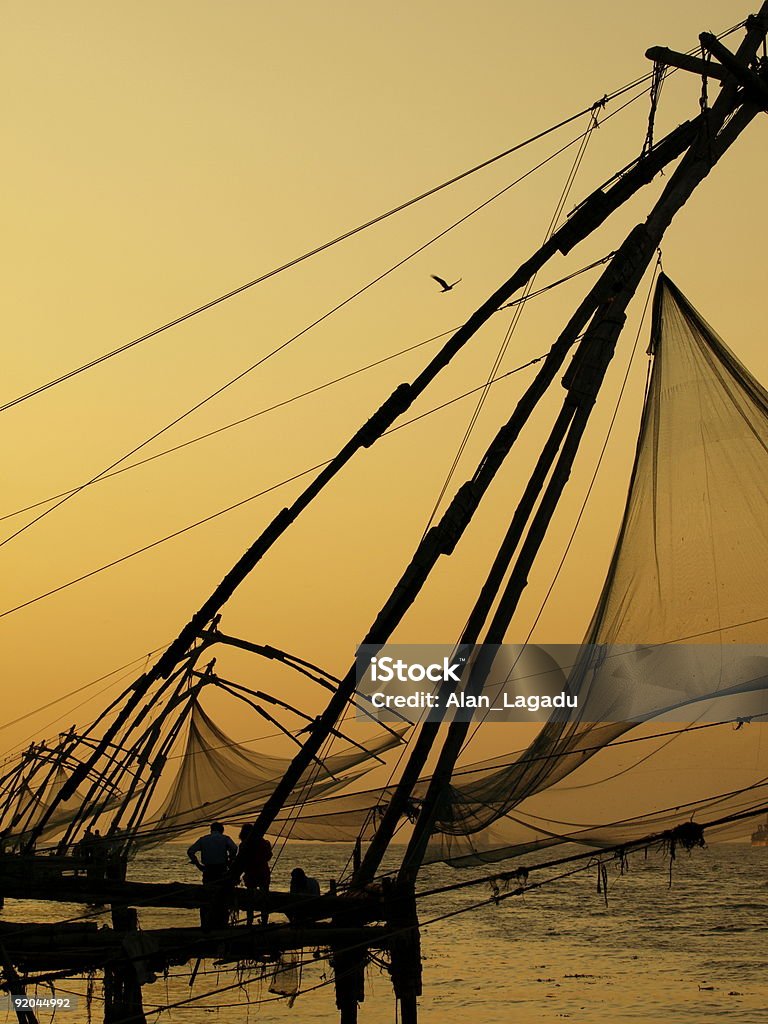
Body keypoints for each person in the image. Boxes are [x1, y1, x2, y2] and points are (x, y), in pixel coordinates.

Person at [187, 822, 237, 929]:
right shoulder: (225, 839)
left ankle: (205, 923)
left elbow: (190, 851)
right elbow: (234, 848)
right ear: (221, 830)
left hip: (208, 870)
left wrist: (198, 865)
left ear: (211, 830)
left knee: (207, 896)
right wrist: (230, 859)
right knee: (222, 896)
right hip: (221, 870)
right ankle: (222, 923)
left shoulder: (204, 839)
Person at [237, 823, 272, 926]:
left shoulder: (243, 844)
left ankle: (249, 921)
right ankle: (264, 921)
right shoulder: (264, 843)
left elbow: (240, 861)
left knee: (250, 898)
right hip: (263, 872)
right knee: (264, 898)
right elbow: (268, 856)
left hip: (250, 873)